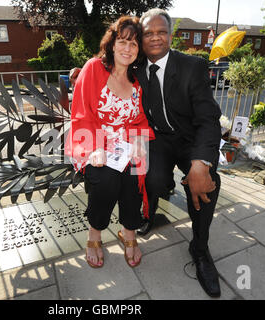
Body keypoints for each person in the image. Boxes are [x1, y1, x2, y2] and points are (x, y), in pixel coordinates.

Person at [134, 8, 222, 297]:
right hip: (158, 139)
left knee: (209, 182)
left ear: (171, 36)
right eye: (149, 33)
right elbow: (107, 60)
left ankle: (199, 248)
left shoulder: (192, 66)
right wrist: (81, 70)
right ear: (141, 38)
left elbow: (209, 118)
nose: (155, 38)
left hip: (190, 139)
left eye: (161, 32)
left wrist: (200, 163)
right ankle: (151, 212)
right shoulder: (135, 67)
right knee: (152, 179)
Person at [65, 16, 154, 269]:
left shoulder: (137, 81)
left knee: (134, 175)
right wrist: (94, 148)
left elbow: (139, 120)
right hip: (91, 142)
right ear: (112, 44)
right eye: (123, 41)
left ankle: (129, 233)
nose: (128, 48)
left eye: (134, 44)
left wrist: (138, 142)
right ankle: (94, 234)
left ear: (139, 51)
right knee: (106, 180)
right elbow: (81, 113)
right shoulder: (94, 68)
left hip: (125, 146)